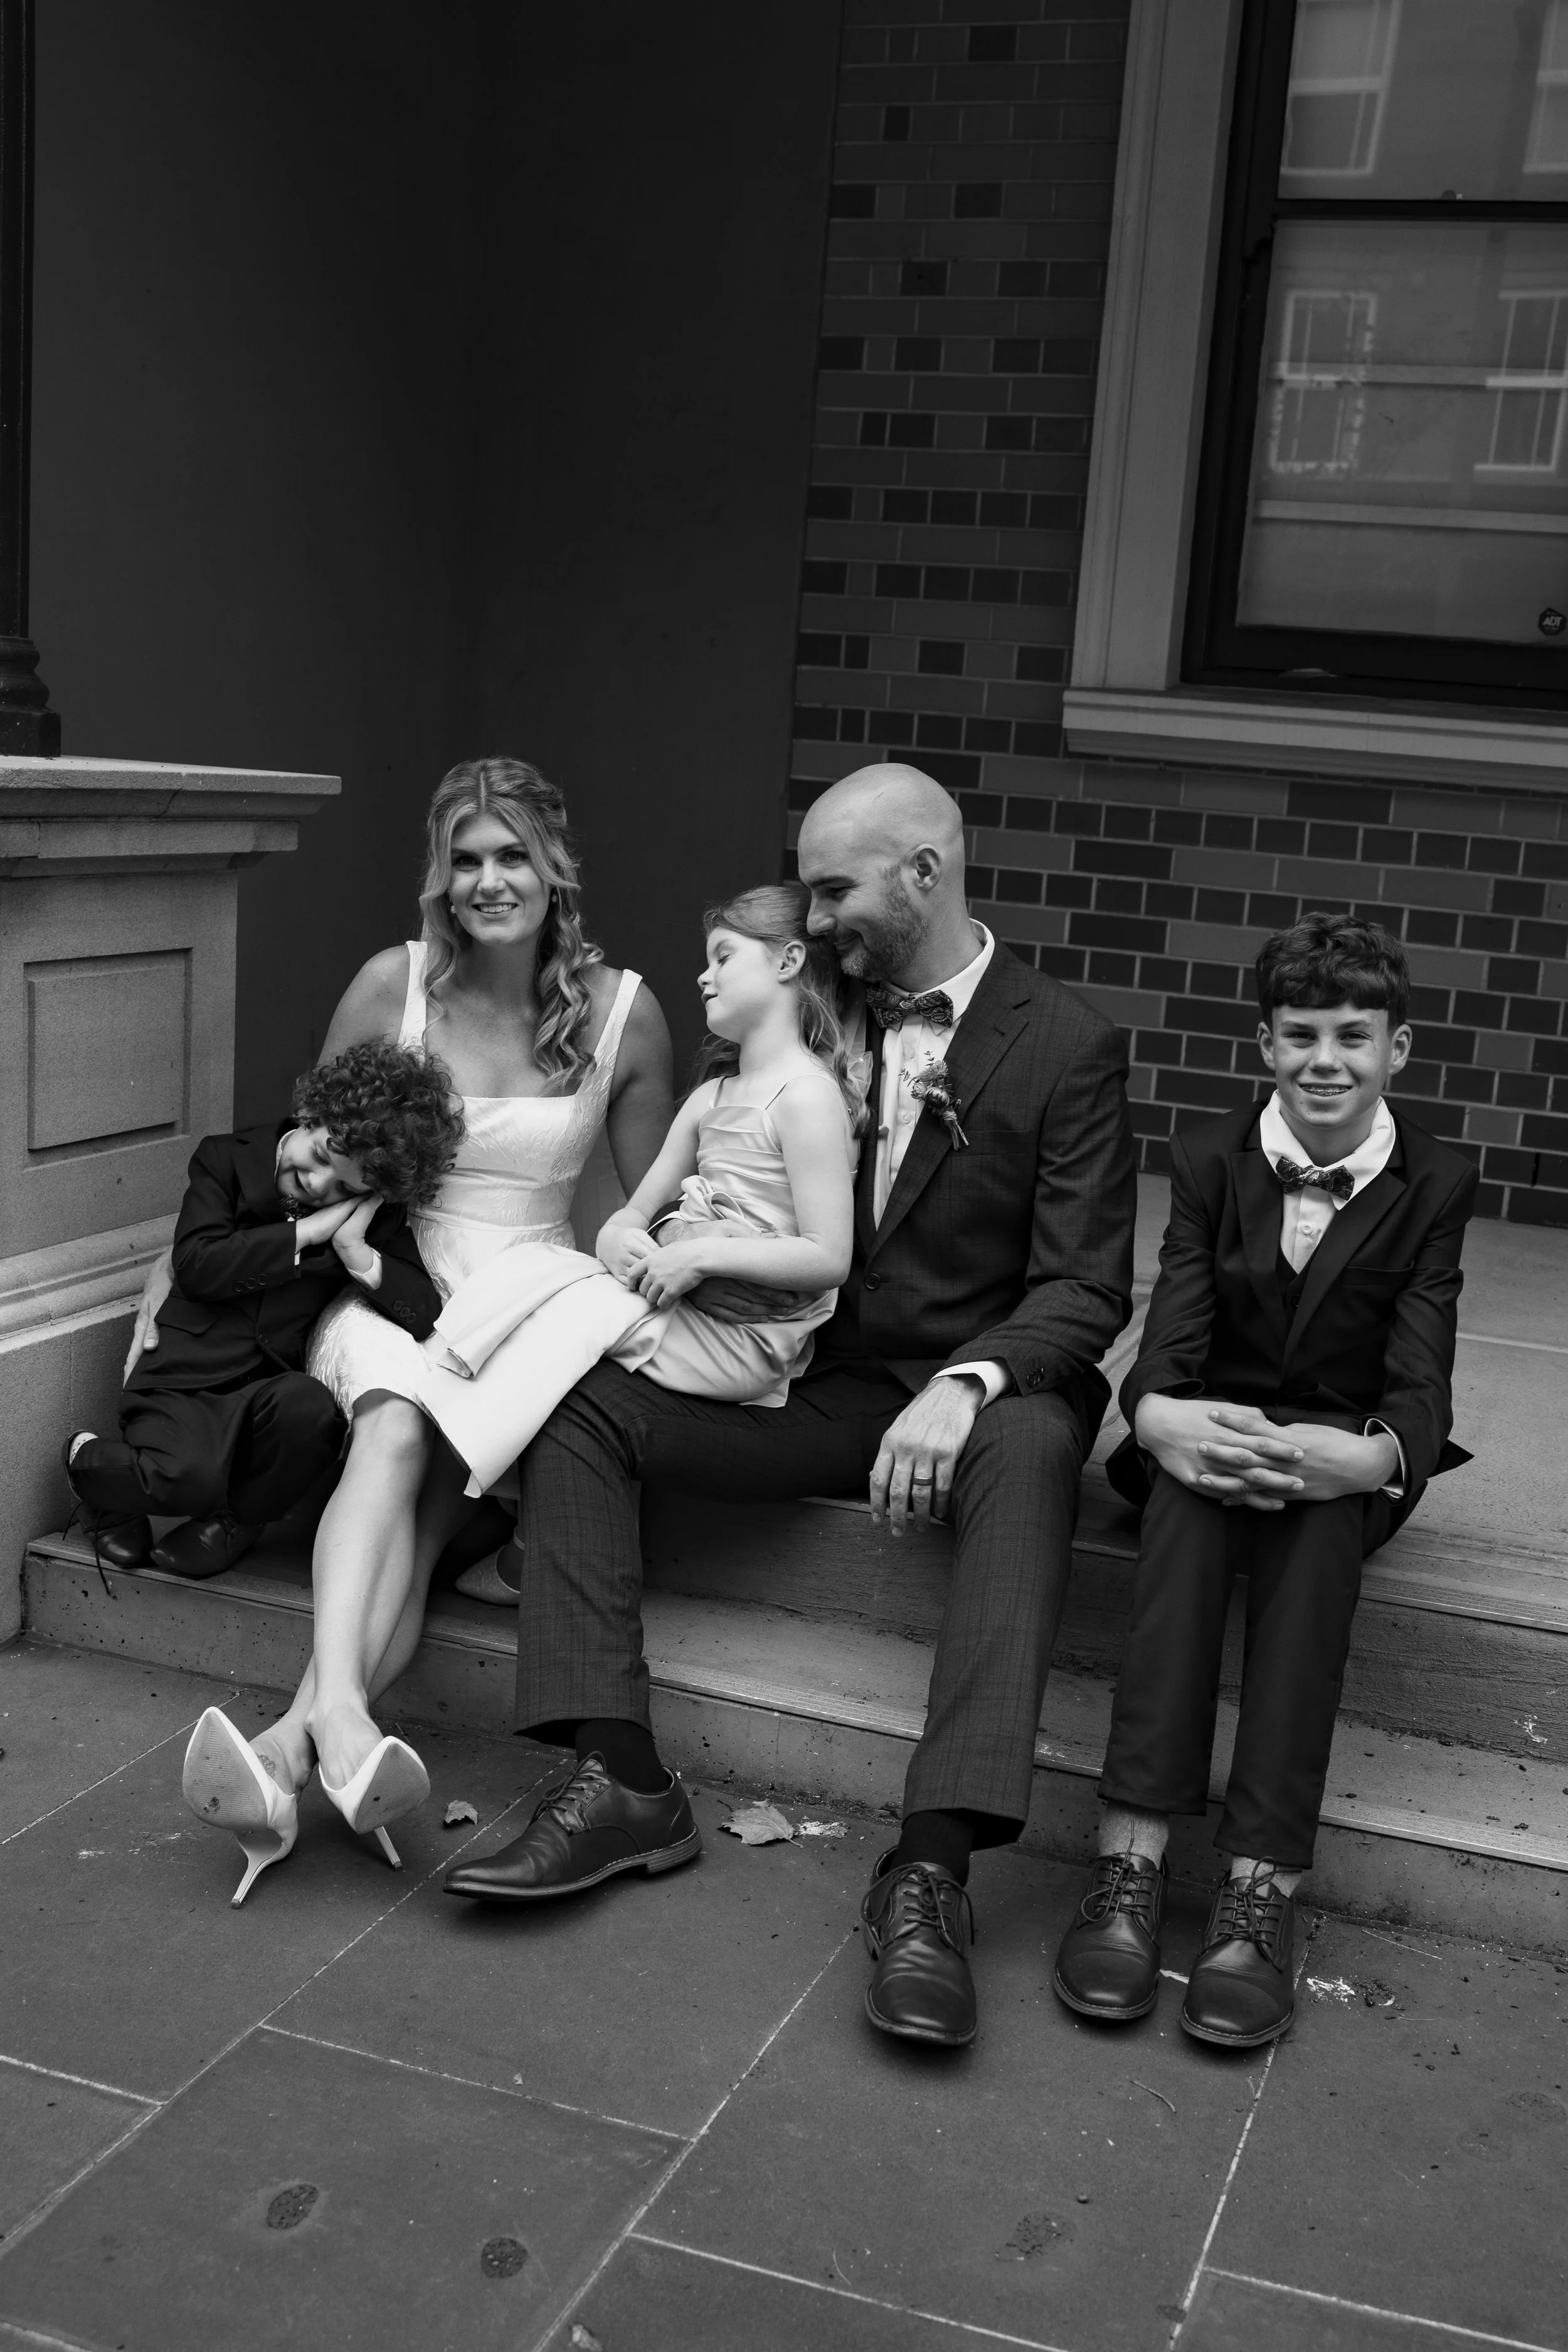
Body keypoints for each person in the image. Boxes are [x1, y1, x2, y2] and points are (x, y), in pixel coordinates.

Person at [445, 764, 1138, 2054]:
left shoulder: (1061, 1043)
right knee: (579, 1397)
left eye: (835, 887)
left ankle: (929, 1869)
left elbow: (1087, 1285)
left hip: (968, 1384)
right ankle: (622, 1776)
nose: (813, 920)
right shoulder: (813, 1009)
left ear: (921, 873)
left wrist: (968, 1378)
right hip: (800, 1380)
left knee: (1041, 1437)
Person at [124, 756, 675, 1905]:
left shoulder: (627, 1014)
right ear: (439, 875)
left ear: (555, 865)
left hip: (523, 1303)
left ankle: (286, 1750)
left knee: (426, 1524)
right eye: (465, 858)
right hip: (388, 1280)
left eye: (511, 853)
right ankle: (333, 1717)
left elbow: (649, 1207)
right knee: (393, 1425)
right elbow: (303, 1164)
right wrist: (179, 1285)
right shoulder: (395, 985)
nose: (488, 879)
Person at [1052, 914, 1476, 2050]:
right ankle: (1130, 1859)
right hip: (1206, 1429)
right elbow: (1171, 1332)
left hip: (1343, 1447)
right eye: (1301, 1033)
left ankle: (1259, 1887)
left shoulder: (1436, 1176)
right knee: (1188, 1510)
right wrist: (1163, 1419)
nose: (1325, 1058)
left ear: (1400, 1049)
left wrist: (1379, 1455)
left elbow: (1422, 1369)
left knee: (1322, 1530)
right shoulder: (1205, 1159)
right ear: (1264, 1043)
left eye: (1353, 1034)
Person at [416, 882, 861, 1503]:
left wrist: (696, 1256)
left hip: (747, 1335)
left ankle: (478, 1484)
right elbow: (632, 1211)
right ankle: (443, 1399)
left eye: (723, 957)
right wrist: (621, 1237)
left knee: (573, 1319)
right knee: (535, 1266)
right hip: (683, 1305)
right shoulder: (711, 1099)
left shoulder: (806, 1095)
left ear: (787, 962)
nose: (703, 977)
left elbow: (827, 1255)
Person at [63, 1040, 459, 1582]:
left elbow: (422, 1309)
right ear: (312, 1112)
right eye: (321, 1157)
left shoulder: (368, 1222)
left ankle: (237, 1519)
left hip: (265, 1385)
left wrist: (356, 1253)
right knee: (183, 1479)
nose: (321, 1186)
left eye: (346, 1186)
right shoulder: (224, 1159)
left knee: (314, 1413)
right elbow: (199, 1265)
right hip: (185, 1374)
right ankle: (89, 1466)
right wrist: (308, 1232)